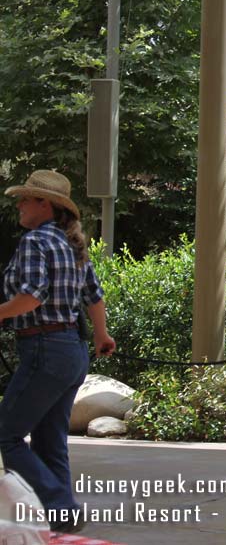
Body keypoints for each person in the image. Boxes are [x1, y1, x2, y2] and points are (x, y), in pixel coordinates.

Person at [0, 169, 116, 533]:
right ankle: (63, 522)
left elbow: (31, 297)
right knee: (51, 442)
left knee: (7, 435)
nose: (18, 205)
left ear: (43, 204)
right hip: (72, 351)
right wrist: (101, 336)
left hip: (44, 348)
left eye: (25, 199)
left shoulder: (35, 242)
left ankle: (60, 503)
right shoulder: (71, 245)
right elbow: (94, 298)